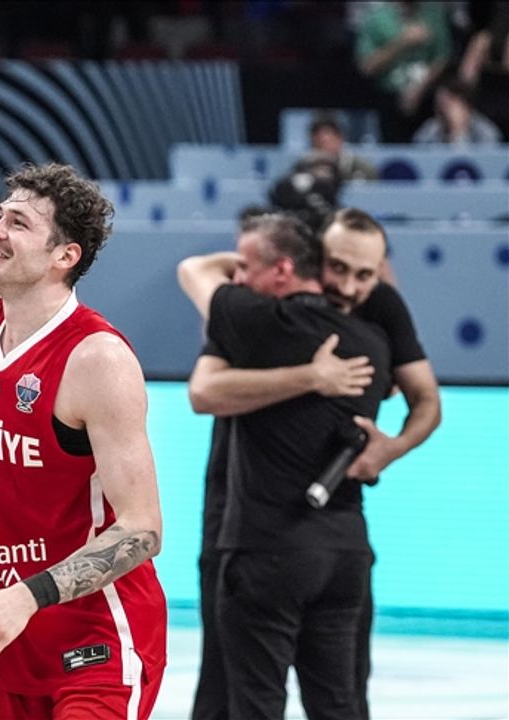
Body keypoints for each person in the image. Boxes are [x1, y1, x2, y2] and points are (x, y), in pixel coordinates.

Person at [186, 208, 441, 720]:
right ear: (314, 256)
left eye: (365, 274)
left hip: (266, 542)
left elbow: (202, 384)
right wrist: (312, 376)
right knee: (332, 701)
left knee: (255, 700)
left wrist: (391, 447)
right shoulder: (363, 337)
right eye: (338, 268)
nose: (348, 287)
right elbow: (414, 393)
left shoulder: (258, 315)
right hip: (326, 544)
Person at [0, 164, 167, 719]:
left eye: (18, 223)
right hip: (9, 635)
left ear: (65, 255)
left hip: (96, 634)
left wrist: (25, 596)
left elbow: (143, 529)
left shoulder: (97, 358)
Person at [412, 76, 505, 144]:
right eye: (439, 104)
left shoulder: (485, 131)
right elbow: (420, 154)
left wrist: (458, 132)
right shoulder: (431, 129)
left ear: (465, 106)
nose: (442, 110)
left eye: (447, 105)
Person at [304, 112, 379, 181]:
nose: (322, 150)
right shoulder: (305, 168)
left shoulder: (363, 168)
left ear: (340, 139)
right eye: (316, 145)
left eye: (324, 143)